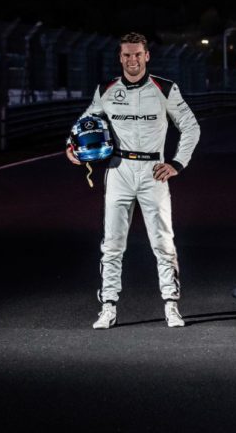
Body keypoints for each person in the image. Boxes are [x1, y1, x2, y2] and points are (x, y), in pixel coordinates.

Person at [66, 32, 201, 329]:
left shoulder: (164, 88)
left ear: (147, 56)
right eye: (127, 55)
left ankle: (171, 305)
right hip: (119, 170)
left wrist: (177, 163)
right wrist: (71, 145)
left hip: (154, 170)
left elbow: (191, 127)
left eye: (137, 54)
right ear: (120, 57)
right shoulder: (107, 89)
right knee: (112, 244)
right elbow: (85, 122)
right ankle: (108, 307)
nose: (132, 60)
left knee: (164, 242)